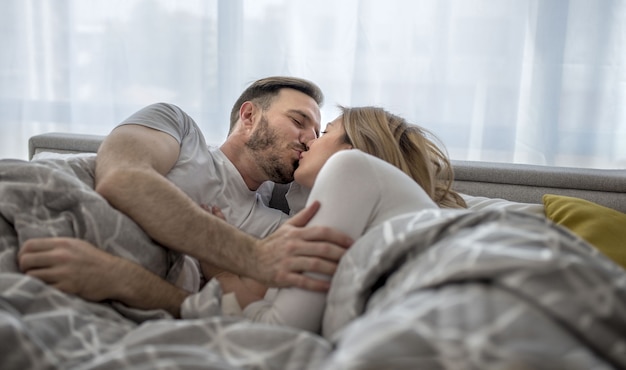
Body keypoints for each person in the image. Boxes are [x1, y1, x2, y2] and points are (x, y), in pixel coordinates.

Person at [17, 76, 353, 317]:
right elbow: (122, 178)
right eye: (299, 121)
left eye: (317, 132)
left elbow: (234, 310)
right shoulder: (178, 127)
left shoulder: (276, 230)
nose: (310, 138)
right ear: (249, 117)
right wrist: (254, 256)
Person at [204, 105, 467, 332]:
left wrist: (222, 273)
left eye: (325, 132)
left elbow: (279, 329)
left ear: (352, 148)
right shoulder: (357, 206)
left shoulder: (350, 165)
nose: (309, 142)